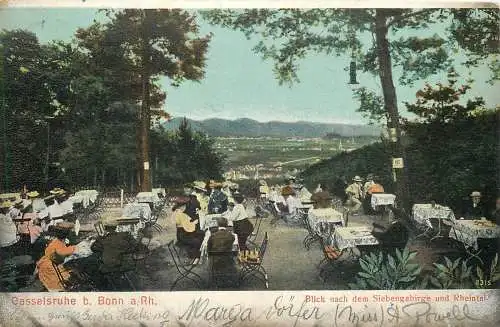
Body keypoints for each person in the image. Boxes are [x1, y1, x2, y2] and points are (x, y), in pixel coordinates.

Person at [36, 222, 77, 291]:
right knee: (66, 277)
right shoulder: (58, 244)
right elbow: (63, 252)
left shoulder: (57, 241)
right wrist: (74, 248)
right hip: (50, 267)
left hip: (49, 262)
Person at [207, 217, 237, 285]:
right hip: (227, 258)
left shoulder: (213, 236)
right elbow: (231, 245)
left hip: (215, 259)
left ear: (217, 224)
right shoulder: (231, 236)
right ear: (226, 225)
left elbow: (208, 248)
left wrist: (211, 255)